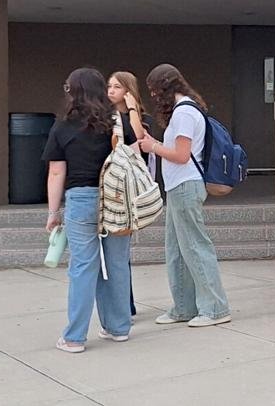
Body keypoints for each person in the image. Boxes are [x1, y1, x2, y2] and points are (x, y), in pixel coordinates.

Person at [44, 68, 133, 353]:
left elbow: (56, 173)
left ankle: (74, 337)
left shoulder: (62, 126)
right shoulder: (114, 123)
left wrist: (53, 213)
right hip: (116, 198)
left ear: (72, 91)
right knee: (117, 263)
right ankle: (118, 328)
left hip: (81, 200)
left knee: (83, 267)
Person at [138, 64, 231, 327]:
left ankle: (215, 308)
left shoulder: (184, 114)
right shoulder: (188, 109)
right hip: (180, 187)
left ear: (164, 89)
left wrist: (153, 146)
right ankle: (184, 307)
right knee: (178, 250)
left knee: (194, 247)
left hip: (185, 185)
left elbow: (180, 155)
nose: (154, 97)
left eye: (155, 91)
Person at [106, 71, 151, 318]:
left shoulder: (143, 118)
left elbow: (139, 137)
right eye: (109, 86)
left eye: (117, 86)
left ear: (128, 90)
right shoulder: (105, 117)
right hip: (111, 186)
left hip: (130, 189)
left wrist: (132, 109)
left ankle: (127, 304)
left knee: (121, 249)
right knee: (117, 250)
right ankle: (124, 304)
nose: (111, 91)